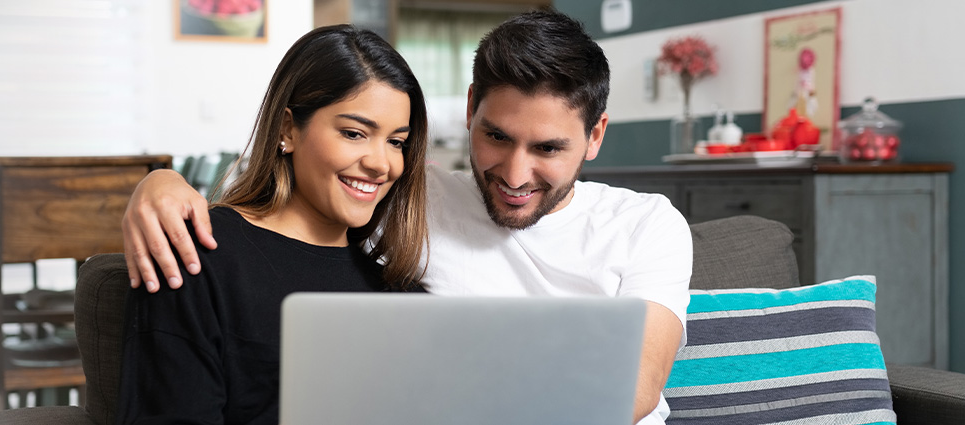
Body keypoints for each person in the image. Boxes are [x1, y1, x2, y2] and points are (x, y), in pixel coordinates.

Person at [120, 11, 690, 425]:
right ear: (470, 111)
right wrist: (157, 183)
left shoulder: (647, 225)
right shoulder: (408, 211)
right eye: (496, 136)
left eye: (547, 148)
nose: (516, 174)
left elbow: (633, 391)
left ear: (595, 136)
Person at [113, 24, 431, 425]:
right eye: (354, 133)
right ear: (286, 129)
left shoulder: (402, 292)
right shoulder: (196, 256)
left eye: (396, 141)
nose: (381, 164)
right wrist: (157, 178)